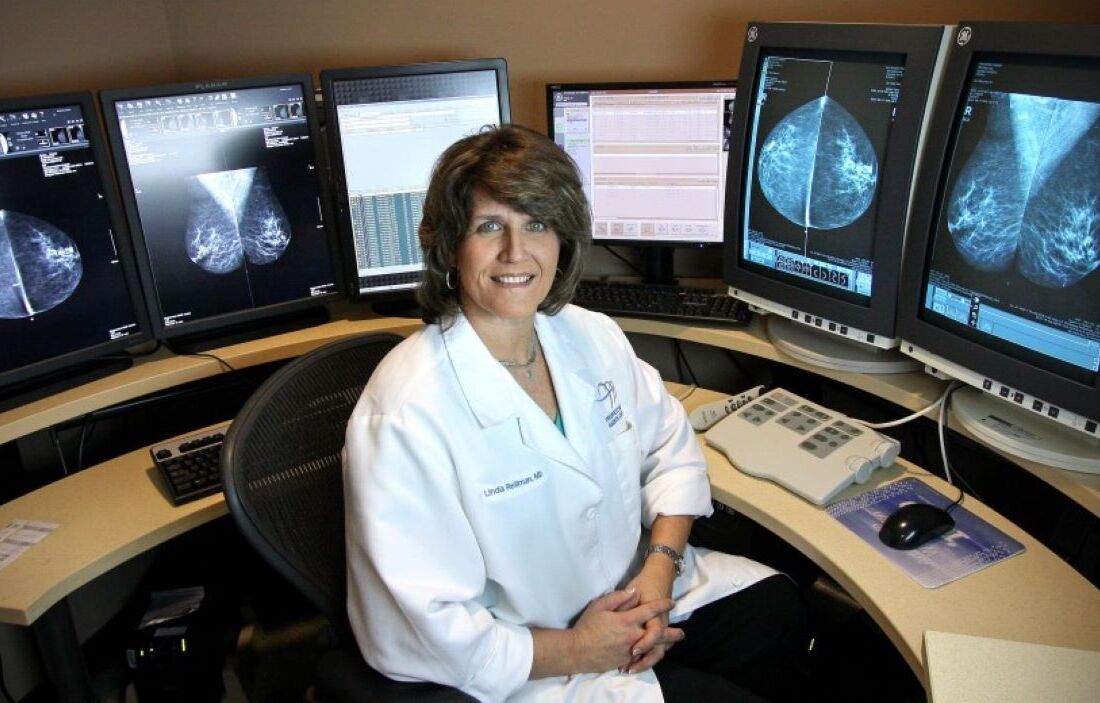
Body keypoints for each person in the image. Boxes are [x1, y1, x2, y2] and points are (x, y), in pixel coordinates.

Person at [343, 124, 807, 702]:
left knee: (777, 612)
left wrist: (657, 576)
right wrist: (585, 649)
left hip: (637, 596)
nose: (517, 252)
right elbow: (416, 631)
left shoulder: (588, 335)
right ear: (448, 248)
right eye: (490, 227)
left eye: (536, 224)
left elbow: (670, 449)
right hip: (536, 663)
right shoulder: (406, 413)